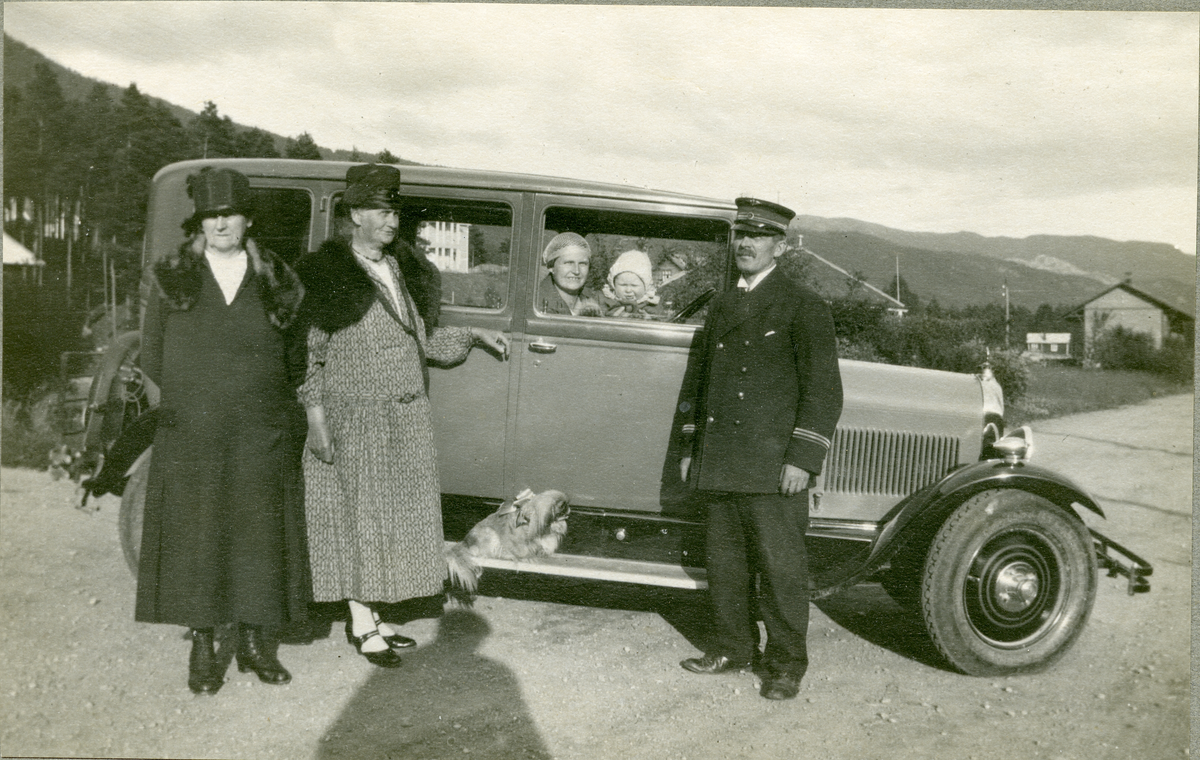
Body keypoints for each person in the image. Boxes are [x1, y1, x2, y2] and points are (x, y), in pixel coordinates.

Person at [295, 164, 509, 668]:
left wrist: (474, 336)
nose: (390, 220)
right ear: (353, 215)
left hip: (404, 420)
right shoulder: (330, 275)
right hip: (356, 419)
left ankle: (373, 615)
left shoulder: (397, 271)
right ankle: (362, 623)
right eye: (379, 210)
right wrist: (316, 417)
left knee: (388, 524)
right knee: (359, 522)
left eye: (394, 211)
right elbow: (310, 354)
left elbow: (424, 342)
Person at [136, 167, 310, 695]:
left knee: (257, 537)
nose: (220, 224)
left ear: (247, 219)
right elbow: (152, 354)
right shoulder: (174, 277)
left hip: (261, 431)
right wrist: (197, 399)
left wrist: (262, 402)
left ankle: (256, 644)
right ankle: (202, 645)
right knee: (198, 535)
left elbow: (296, 360)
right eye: (211, 216)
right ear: (200, 223)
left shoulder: (278, 281)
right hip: (194, 430)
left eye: (229, 214)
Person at [675, 197, 843, 701]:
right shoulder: (724, 302)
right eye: (739, 235)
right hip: (723, 456)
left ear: (780, 245)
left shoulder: (803, 304)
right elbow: (699, 383)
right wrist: (690, 447)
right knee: (724, 563)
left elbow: (823, 391)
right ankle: (733, 647)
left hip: (773, 465)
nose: (745, 244)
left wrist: (803, 457)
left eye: (758, 236)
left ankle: (786, 664)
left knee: (780, 570)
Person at [536, 232, 602, 316]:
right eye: (568, 263)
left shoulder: (594, 302)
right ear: (551, 267)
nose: (576, 271)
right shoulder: (536, 305)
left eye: (583, 264)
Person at [601, 249, 661, 319]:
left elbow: (662, 322)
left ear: (646, 287)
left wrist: (650, 321)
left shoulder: (652, 305)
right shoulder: (607, 302)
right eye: (623, 285)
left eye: (634, 285)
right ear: (613, 285)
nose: (628, 290)